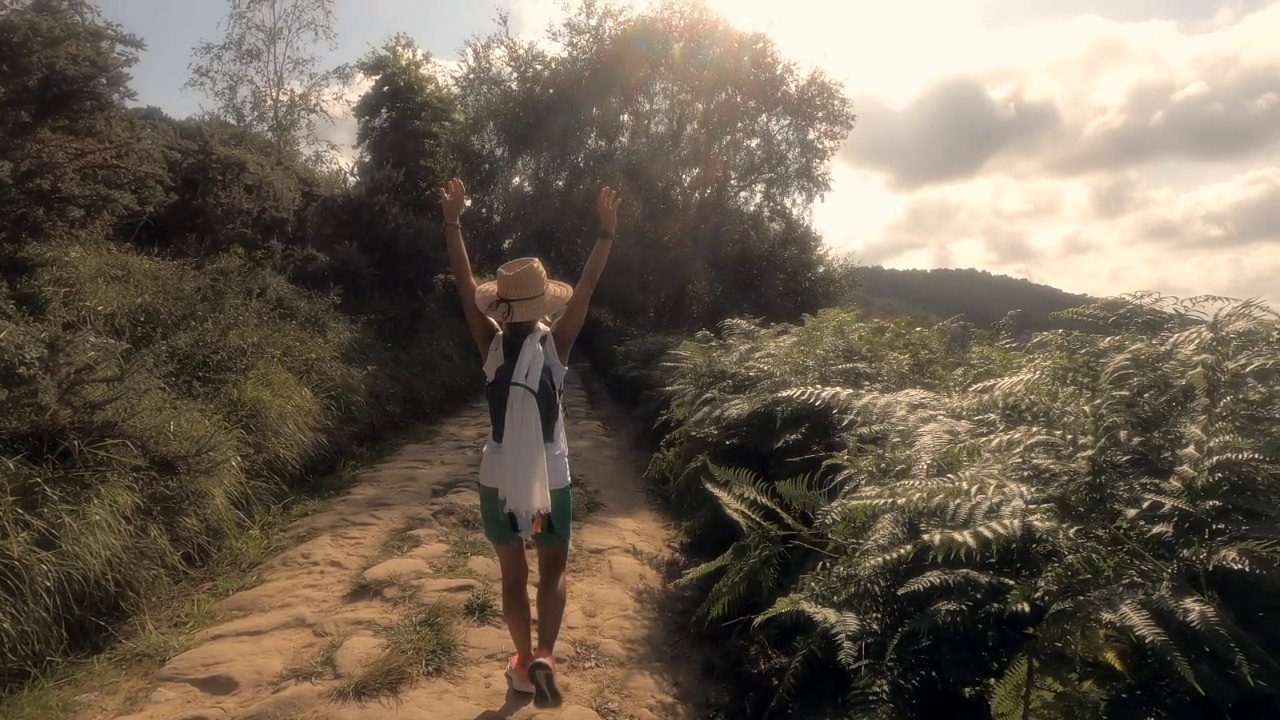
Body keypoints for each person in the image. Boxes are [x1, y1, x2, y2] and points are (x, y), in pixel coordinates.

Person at [439, 177, 622, 709]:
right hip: (545, 486)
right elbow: (585, 288)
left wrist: (453, 220)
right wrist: (606, 233)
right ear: (543, 302)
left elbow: (462, 279)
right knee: (553, 568)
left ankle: (520, 667)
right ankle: (543, 652)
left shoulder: (490, 344)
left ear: (502, 305)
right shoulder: (557, 344)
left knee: (512, 575)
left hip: (497, 481)